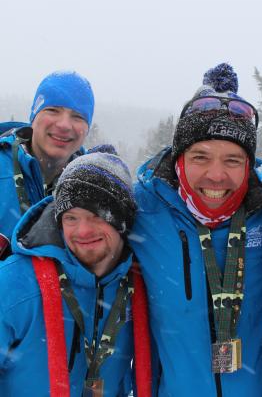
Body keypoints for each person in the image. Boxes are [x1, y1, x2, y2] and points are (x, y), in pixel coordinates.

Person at [130, 63, 262, 397]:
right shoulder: (144, 207)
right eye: (200, 157)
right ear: (179, 159)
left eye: (232, 160)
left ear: (249, 164)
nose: (216, 175)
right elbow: (79, 226)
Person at [0, 151, 151, 397]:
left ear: (123, 220)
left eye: (96, 216)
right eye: (71, 218)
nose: (82, 231)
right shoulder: (14, 283)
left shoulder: (139, 286)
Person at [0, 70, 95, 258]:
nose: (64, 125)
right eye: (53, 110)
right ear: (34, 116)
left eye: (77, 116)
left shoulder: (94, 188)